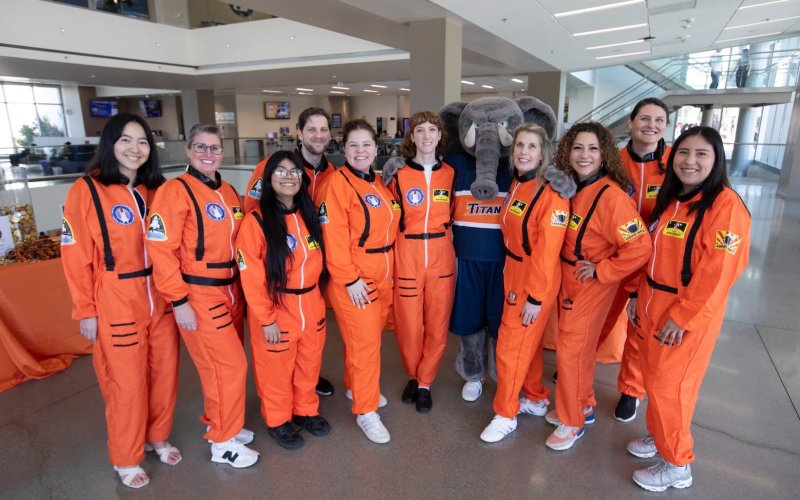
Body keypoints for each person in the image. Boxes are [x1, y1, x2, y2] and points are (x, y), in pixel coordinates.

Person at [626, 126, 750, 492]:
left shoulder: (725, 206)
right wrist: (636, 294)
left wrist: (683, 318)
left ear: (716, 160)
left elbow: (718, 274)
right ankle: (659, 437)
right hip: (652, 304)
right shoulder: (675, 198)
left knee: (671, 387)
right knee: (653, 379)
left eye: (701, 155)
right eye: (683, 153)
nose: (689, 162)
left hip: (684, 314)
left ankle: (677, 462)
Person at [61, 113, 181, 488]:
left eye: (143, 142)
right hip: (116, 297)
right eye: (126, 141)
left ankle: (157, 436)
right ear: (110, 145)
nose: (135, 149)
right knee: (126, 383)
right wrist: (85, 309)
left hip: (159, 296)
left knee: (164, 375)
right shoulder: (86, 190)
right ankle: (126, 456)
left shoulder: (158, 190)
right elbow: (75, 255)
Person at [145, 124, 258, 468]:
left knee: (219, 369)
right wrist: (178, 300)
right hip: (198, 293)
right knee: (229, 367)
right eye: (201, 147)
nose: (208, 154)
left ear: (222, 152)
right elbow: (160, 250)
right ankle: (223, 443)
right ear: (188, 151)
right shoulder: (174, 191)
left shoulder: (228, 191)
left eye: (214, 148)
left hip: (230, 289)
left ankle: (223, 422)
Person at [544, 122, 651, 451]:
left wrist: (603, 270)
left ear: (604, 154)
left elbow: (640, 247)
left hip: (589, 284)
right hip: (569, 280)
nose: (585, 155)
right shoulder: (574, 186)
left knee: (573, 351)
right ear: (568, 152)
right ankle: (583, 403)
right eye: (578, 148)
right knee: (576, 349)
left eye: (592, 149)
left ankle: (573, 419)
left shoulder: (612, 198)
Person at [479, 123, 575, 442]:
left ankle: (506, 413)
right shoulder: (518, 184)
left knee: (509, 348)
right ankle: (533, 397)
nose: (524, 152)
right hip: (514, 273)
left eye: (532, 147)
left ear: (542, 152)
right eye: (520, 145)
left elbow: (548, 252)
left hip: (536, 279)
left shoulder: (551, 194)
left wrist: (535, 296)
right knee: (527, 347)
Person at [237, 151, 330, 450]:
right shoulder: (256, 222)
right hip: (277, 307)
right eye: (280, 171)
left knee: (309, 364)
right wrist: (266, 319)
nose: (288, 177)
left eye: (294, 172)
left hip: (311, 304)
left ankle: (305, 410)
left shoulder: (309, 215)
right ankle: (278, 419)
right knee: (275, 370)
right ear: (268, 178)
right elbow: (250, 276)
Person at [244, 107, 338, 398]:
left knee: (310, 338)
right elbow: (253, 213)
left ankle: (307, 383)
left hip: (311, 264)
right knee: (277, 349)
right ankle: (278, 408)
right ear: (299, 133)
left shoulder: (331, 173)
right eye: (311, 129)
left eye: (323, 130)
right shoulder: (272, 166)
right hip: (277, 268)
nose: (318, 135)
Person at [317, 119, 399, 443]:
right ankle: (366, 411)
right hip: (353, 278)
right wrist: (350, 279)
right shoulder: (335, 185)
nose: (360, 151)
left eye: (366, 145)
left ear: (376, 150)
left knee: (365, 341)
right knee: (366, 347)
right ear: (344, 149)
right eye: (353, 145)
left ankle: (355, 387)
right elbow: (333, 237)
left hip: (383, 274)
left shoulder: (378, 182)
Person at [595, 97, 671, 423]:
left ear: (665, 126)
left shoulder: (673, 164)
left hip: (653, 263)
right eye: (644, 118)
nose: (650, 125)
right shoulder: (614, 161)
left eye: (658, 120)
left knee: (638, 331)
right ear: (630, 121)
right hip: (615, 257)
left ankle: (630, 390)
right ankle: (580, 366)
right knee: (597, 319)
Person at [385, 110, 455, 413]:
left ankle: (425, 381)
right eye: (420, 130)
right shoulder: (397, 175)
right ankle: (413, 374)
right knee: (409, 326)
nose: (427, 136)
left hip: (441, 256)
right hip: (408, 254)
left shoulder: (451, 174)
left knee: (437, 325)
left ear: (440, 136)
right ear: (411, 136)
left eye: (432, 130)